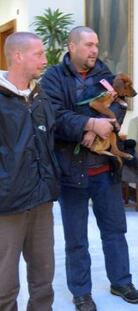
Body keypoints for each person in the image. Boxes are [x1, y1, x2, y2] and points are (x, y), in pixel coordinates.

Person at [41, 26, 138, 310]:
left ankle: (121, 281)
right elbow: (54, 116)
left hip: (104, 171)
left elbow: (120, 105)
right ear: (71, 47)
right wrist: (89, 124)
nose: (94, 50)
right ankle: (81, 292)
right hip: (71, 172)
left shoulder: (105, 74)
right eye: (88, 45)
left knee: (115, 231)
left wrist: (102, 128)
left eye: (96, 45)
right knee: (76, 239)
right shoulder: (53, 78)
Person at [0, 32, 60, 310]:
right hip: (7, 205)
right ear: (18, 56)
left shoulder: (40, 96)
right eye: (38, 53)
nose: (44, 59)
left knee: (43, 278)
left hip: (41, 200)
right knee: (4, 285)